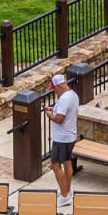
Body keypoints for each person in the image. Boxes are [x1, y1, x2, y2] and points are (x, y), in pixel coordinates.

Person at [47, 72, 78, 201]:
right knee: (67, 162)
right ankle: (67, 191)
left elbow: (59, 119)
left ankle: (65, 196)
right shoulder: (72, 95)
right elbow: (63, 111)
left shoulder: (64, 99)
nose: (54, 92)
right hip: (70, 136)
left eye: (54, 89)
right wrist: (54, 109)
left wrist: (50, 115)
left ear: (58, 87)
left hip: (62, 139)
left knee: (55, 165)